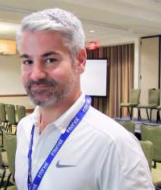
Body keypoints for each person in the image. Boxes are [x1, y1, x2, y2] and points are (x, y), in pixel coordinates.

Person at [15, 8, 154, 190]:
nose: (36, 74)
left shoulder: (114, 145)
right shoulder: (25, 128)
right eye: (27, 61)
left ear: (80, 60)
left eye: (50, 60)